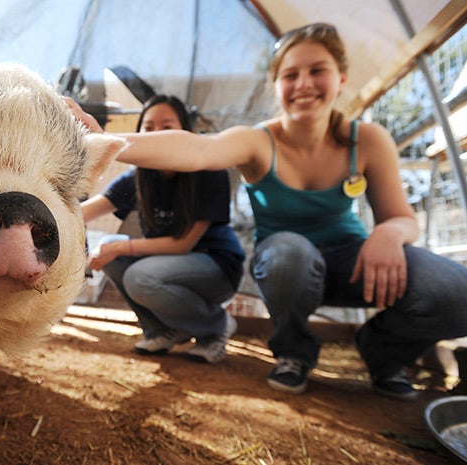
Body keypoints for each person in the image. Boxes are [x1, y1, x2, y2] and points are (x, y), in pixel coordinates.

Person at [69, 23, 467, 400]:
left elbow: (401, 217)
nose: (304, 84)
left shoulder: (368, 140)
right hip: (285, 267)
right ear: (276, 87)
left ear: (341, 79)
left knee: (458, 293)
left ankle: (383, 352)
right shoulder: (259, 142)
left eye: (318, 71)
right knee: (288, 252)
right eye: (291, 75)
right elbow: (198, 149)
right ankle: (294, 351)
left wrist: (388, 233)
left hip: (352, 258)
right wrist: (102, 139)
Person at [81, 94, 245, 364]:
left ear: (186, 131)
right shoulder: (138, 177)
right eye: (148, 129)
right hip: (166, 264)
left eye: (167, 128)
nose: (157, 136)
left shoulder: (209, 171)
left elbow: (182, 245)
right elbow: (84, 212)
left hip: (216, 266)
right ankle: (161, 330)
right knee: (111, 248)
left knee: (138, 274)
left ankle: (216, 326)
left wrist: (121, 246)